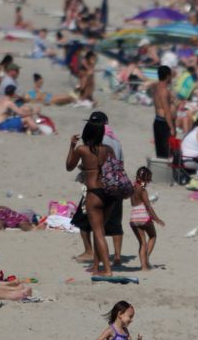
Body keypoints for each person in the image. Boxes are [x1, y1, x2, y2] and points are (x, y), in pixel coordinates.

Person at [66, 114, 118, 276]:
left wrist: (71, 146)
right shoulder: (108, 150)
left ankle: (107, 270)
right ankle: (96, 267)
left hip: (94, 193)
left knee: (98, 232)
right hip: (110, 194)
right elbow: (115, 170)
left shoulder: (82, 150)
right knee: (100, 231)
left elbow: (69, 166)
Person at [129, 167, 165, 270]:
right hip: (143, 216)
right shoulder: (143, 190)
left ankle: (144, 267)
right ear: (146, 179)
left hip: (133, 217)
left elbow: (132, 202)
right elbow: (148, 206)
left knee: (142, 243)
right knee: (153, 236)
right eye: (149, 179)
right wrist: (157, 219)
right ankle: (146, 259)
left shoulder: (132, 187)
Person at [150, 65, 176, 158]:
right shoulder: (164, 91)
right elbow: (167, 111)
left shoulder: (156, 87)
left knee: (161, 153)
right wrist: (171, 128)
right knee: (167, 153)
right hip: (165, 123)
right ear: (168, 76)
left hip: (159, 122)